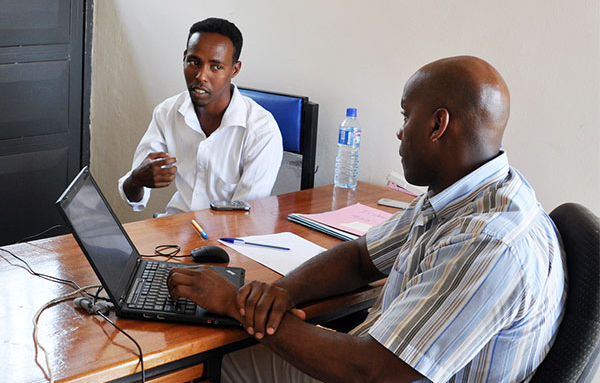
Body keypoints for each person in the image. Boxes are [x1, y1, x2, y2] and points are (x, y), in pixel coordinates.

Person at [168, 56, 566, 382]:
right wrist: (281, 293)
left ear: (437, 125)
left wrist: (236, 303)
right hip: (369, 358)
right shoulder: (466, 193)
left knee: (206, 368)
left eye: (406, 116)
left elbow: (369, 372)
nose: (398, 132)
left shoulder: (490, 244)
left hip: (368, 371)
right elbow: (362, 256)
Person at [118, 18, 283, 215]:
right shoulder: (167, 112)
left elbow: (244, 218)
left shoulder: (262, 130)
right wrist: (136, 180)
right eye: (194, 62)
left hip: (228, 238)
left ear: (234, 69)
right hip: (176, 228)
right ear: (184, 58)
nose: (201, 76)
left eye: (216, 67)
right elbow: (134, 199)